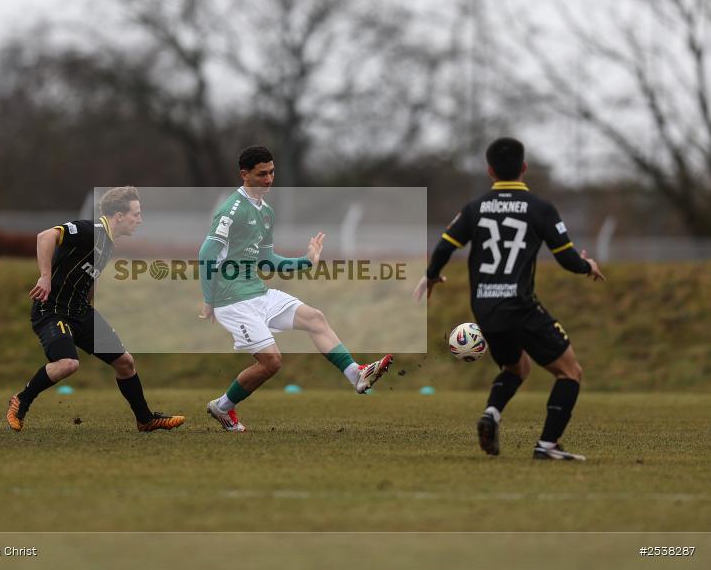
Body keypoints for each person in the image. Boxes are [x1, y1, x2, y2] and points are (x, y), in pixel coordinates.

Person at [414, 137, 604, 461]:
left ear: (490, 170)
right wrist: (588, 265)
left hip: (485, 308)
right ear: (524, 168)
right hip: (519, 304)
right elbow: (567, 260)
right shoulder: (541, 209)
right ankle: (547, 446)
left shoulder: (474, 209)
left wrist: (431, 276)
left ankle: (491, 413)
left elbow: (445, 245)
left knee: (517, 368)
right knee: (570, 372)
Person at [199, 145, 392, 432]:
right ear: (244, 175)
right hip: (232, 300)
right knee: (272, 362)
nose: (269, 179)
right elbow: (206, 254)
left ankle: (357, 375)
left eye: (272, 172)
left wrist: (306, 261)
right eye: (261, 174)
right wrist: (208, 300)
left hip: (257, 293)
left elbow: (266, 259)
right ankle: (223, 407)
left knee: (315, 318)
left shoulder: (265, 212)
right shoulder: (232, 210)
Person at [6, 186, 185, 433]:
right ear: (119, 216)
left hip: (80, 311)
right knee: (67, 364)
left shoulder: (108, 243)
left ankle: (145, 419)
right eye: (136, 214)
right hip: (52, 311)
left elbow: (89, 275)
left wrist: (94, 304)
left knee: (125, 362)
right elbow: (45, 236)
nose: (140, 220)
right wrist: (45, 277)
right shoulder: (90, 230)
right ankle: (21, 400)